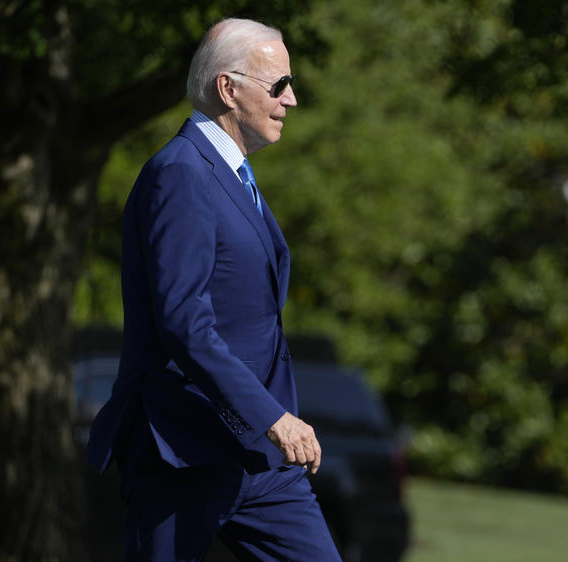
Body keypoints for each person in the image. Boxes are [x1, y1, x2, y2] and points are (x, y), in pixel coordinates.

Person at [86, 18, 342, 561]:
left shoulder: (232, 175)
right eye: (278, 86)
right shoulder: (179, 174)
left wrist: (268, 421)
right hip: (181, 451)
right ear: (229, 89)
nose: (292, 99)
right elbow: (185, 324)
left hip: (259, 461)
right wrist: (273, 417)